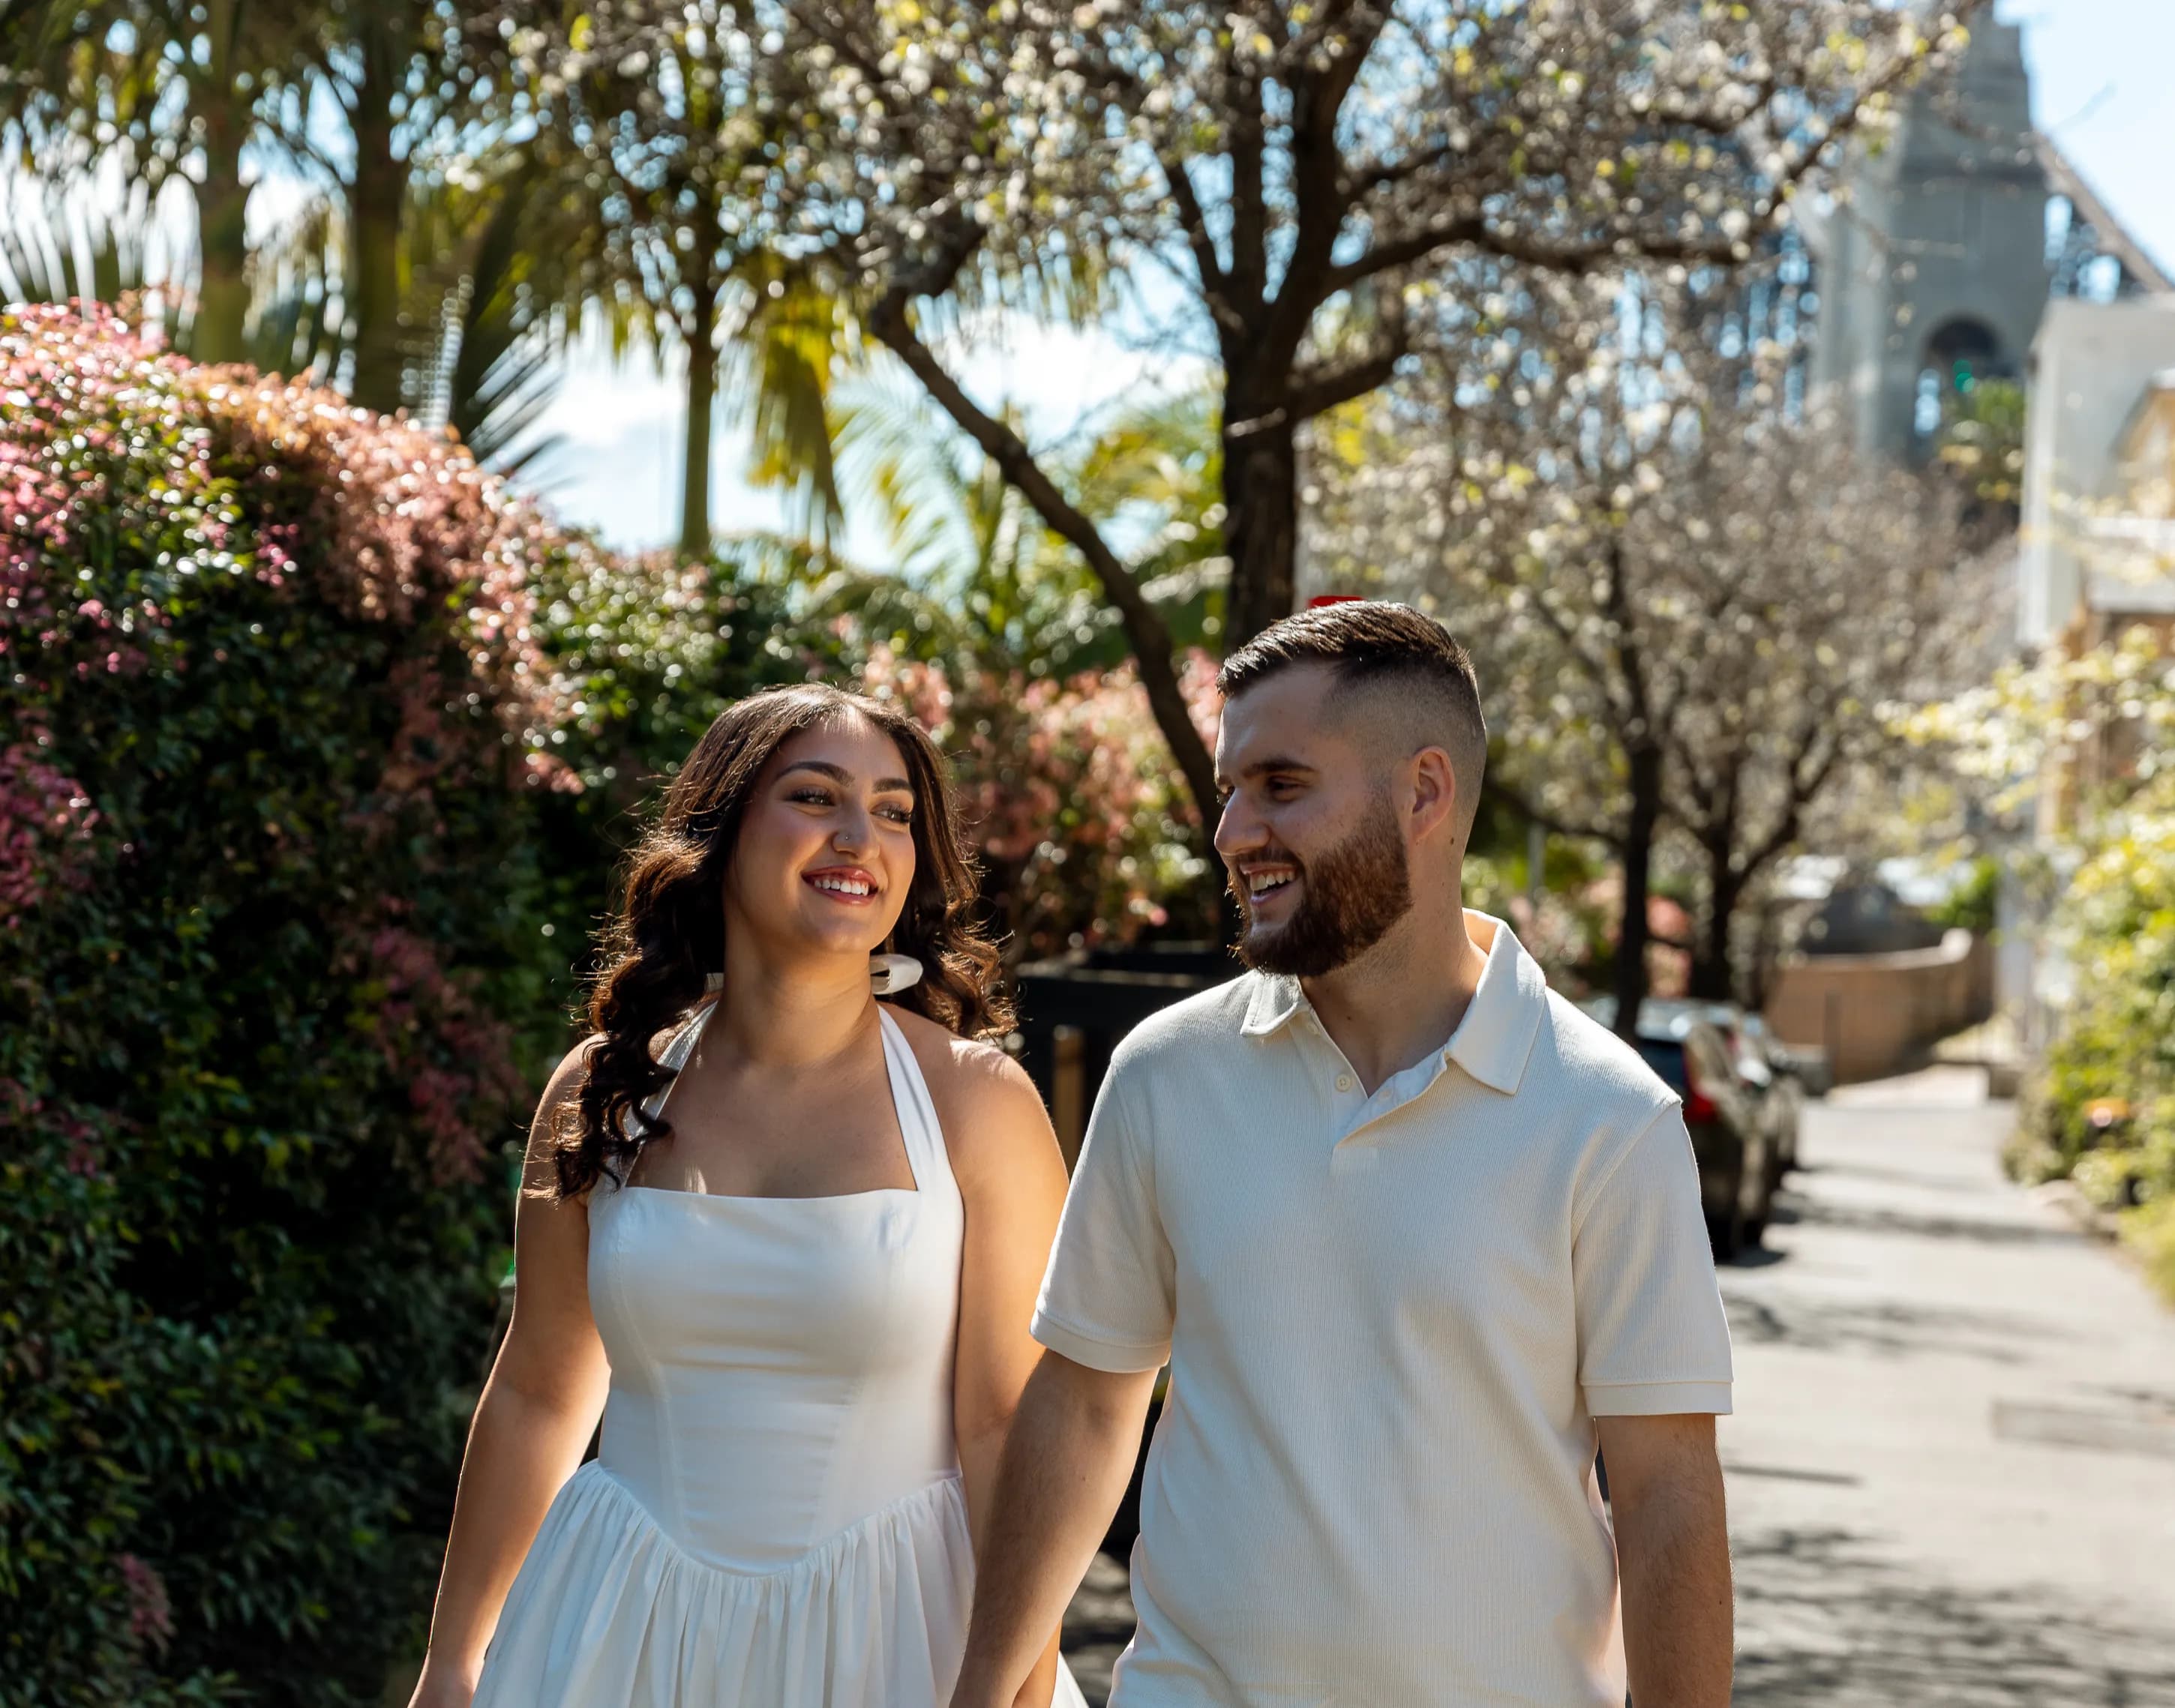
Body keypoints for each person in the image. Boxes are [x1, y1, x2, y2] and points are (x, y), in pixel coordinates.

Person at [950, 601, 1736, 1708]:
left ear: (1424, 791)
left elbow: (1666, 1495)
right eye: (1229, 789)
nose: (1231, 831)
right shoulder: (1166, 1074)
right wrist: (982, 1691)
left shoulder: (1609, 1118)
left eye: (1280, 786)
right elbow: (1084, 1403)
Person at [408, 684, 1087, 1708]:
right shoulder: (600, 1087)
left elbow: (1008, 1428)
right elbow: (541, 1385)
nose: (861, 835)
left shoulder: (977, 1104)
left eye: (896, 810)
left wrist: (1019, 1692)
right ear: (720, 832)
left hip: (896, 1639)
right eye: (816, 796)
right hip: (615, 1633)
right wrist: (453, 1660)